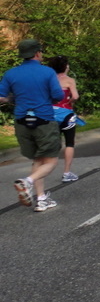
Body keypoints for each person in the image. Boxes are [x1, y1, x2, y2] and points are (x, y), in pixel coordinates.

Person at [0, 39, 64, 212]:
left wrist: (14, 98)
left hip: (22, 122)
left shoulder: (11, 74)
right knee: (51, 161)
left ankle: (41, 199)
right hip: (43, 120)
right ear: (37, 53)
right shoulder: (47, 72)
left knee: (38, 158)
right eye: (41, 52)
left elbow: (2, 97)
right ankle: (26, 182)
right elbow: (58, 95)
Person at [48, 55, 85, 182]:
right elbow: (75, 96)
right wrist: (70, 102)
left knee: (52, 143)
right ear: (65, 66)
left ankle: (43, 168)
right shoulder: (69, 80)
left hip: (50, 113)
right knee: (69, 143)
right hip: (66, 113)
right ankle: (66, 172)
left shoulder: (48, 80)